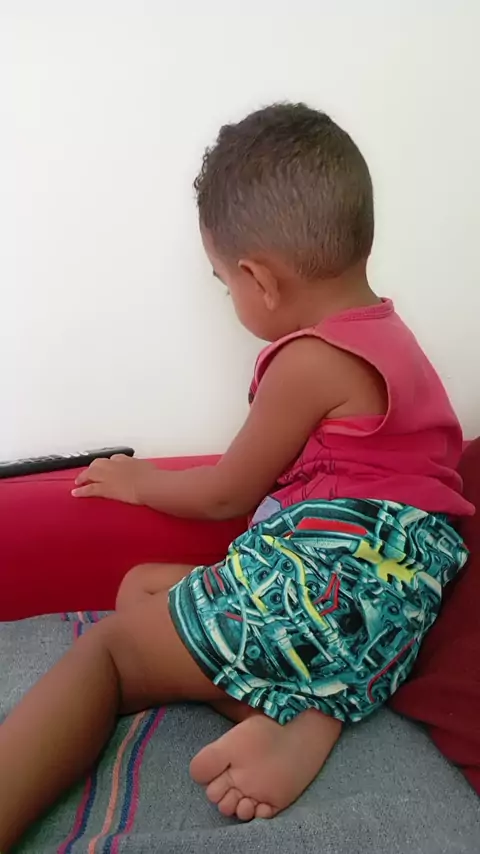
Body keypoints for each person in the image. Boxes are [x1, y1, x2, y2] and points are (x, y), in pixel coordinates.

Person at [0, 103, 472, 851]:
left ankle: (292, 713)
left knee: (109, 652)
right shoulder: (393, 337)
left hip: (330, 588)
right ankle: (303, 715)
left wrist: (137, 481)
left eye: (225, 284)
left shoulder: (309, 361)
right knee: (141, 586)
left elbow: (226, 492)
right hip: (394, 615)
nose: (231, 297)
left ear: (258, 279)